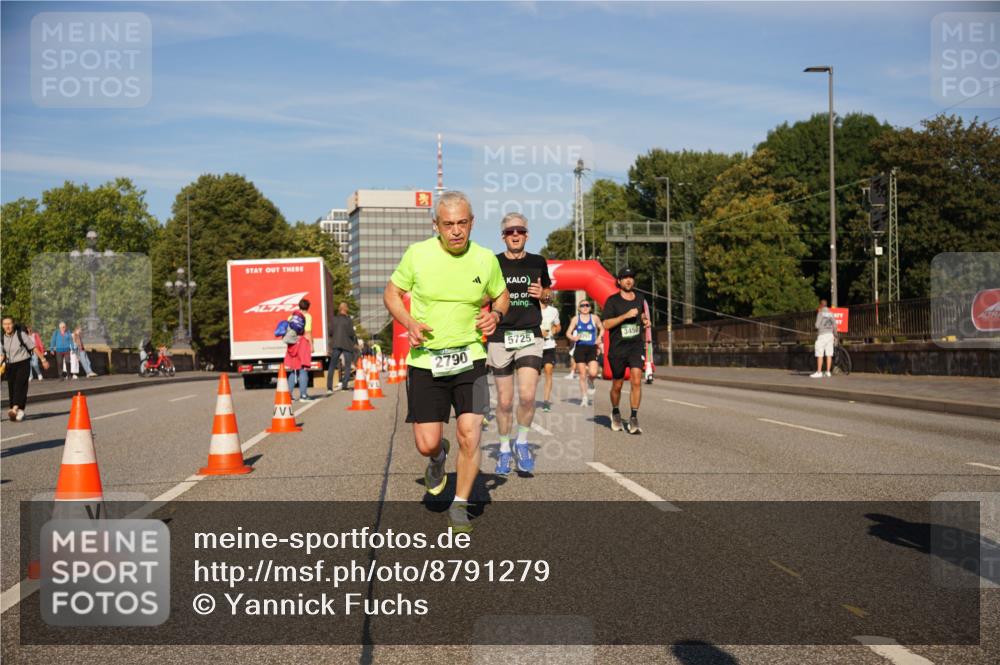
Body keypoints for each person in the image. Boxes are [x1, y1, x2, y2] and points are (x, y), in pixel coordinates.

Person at [384, 191, 508, 533]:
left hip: (471, 358)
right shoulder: (418, 255)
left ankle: (460, 505)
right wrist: (409, 323)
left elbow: (502, 294)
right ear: (435, 225)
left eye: (462, 223)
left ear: (472, 223)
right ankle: (438, 460)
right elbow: (391, 293)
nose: (456, 231)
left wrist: (496, 315)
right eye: (449, 224)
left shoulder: (485, 259)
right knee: (427, 443)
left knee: (471, 434)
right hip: (426, 361)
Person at [486, 212, 551, 476]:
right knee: (503, 402)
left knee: (526, 396)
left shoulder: (538, 261)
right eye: (510, 231)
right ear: (503, 236)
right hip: (501, 336)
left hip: (530, 335)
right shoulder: (493, 263)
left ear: (527, 235)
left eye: (520, 231)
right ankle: (503, 449)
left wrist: (543, 294)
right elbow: (481, 294)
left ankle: (521, 443)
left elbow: (549, 293)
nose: (515, 235)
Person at [602, 267, 651, 434]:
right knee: (617, 384)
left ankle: (634, 417)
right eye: (625, 278)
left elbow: (642, 315)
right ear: (619, 281)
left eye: (631, 277)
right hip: (617, 348)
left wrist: (645, 321)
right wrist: (624, 316)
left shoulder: (640, 298)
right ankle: (615, 412)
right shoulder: (612, 301)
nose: (629, 280)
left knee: (637, 380)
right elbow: (606, 324)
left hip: (635, 346)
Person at [2, 316, 50, 421]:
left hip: (23, 363)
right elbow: (2, 355)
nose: (7, 326)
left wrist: (43, 359)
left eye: (9, 324)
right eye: (5, 324)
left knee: (20, 386)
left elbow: (33, 347)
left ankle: (15, 408)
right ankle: (19, 410)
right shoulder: (2, 338)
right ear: (2, 326)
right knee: (12, 388)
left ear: (13, 324)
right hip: (10, 365)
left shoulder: (21, 335)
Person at [565, 300, 603, 407]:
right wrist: (573, 337)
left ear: (590, 308)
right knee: (582, 375)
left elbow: (602, 328)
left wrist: (600, 337)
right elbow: (568, 332)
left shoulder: (594, 318)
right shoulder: (575, 319)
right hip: (580, 348)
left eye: (587, 305)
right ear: (579, 308)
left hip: (592, 348)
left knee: (593, 373)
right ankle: (584, 398)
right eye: (582, 305)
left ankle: (591, 382)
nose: (585, 307)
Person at [284, 299, 314, 401]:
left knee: (293, 369)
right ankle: (303, 395)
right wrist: (312, 345)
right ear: (308, 307)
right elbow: (308, 332)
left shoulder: (291, 316)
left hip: (292, 344)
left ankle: (288, 395)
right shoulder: (307, 316)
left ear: (299, 306)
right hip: (302, 343)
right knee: (303, 368)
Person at [326, 301, 357, 394]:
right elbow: (351, 333)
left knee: (332, 365)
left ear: (339, 309)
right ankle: (344, 386)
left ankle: (329, 388)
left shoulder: (334, 319)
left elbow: (330, 332)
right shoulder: (349, 320)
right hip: (347, 344)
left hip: (336, 344)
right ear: (346, 309)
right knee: (347, 366)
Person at [539, 295, 561, 413]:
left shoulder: (554, 311)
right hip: (535, 346)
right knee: (535, 377)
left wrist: (554, 330)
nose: (547, 296)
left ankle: (546, 401)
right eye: (545, 294)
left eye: (549, 295)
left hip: (549, 345)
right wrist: (538, 332)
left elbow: (558, 326)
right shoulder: (532, 308)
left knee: (549, 370)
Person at [812, 298, 836, 378]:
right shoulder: (831, 313)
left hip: (822, 335)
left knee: (820, 353)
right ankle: (828, 372)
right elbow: (835, 325)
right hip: (830, 335)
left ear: (821, 305)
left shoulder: (820, 313)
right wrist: (835, 334)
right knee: (829, 354)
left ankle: (819, 372)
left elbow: (817, 325)